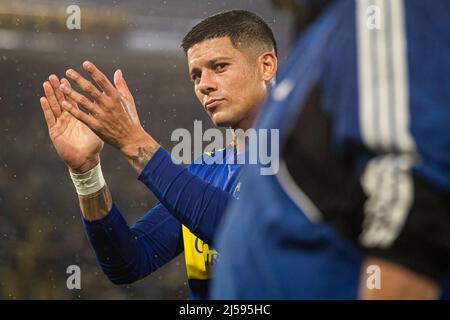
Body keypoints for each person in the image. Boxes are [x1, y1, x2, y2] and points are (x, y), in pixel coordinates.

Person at [213, 0, 450, 299]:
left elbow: (413, 215)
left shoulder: (382, 10)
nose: (205, 85)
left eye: (219, 67)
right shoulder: (324, 34)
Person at [39, 10, 277, 300]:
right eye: (196, 75)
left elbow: (245, 233)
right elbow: (130, 263)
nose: (204, 84)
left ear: (266, 66)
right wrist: (86, 173)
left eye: (220, 66)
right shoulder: (203, 171)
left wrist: (133, 140)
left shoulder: (305, 155)